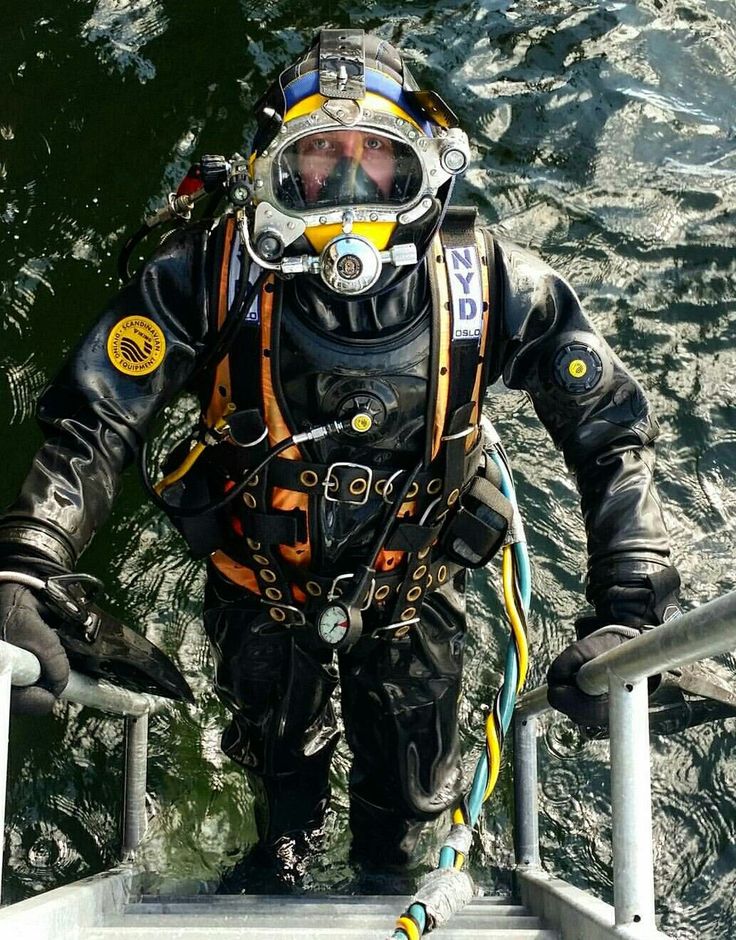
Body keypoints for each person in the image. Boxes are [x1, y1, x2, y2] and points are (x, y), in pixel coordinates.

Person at [0, 29, 682, 876]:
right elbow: (96, 421)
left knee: (405, 809)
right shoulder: (213, 276)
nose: (351, 186)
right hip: (262, 591)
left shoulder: (489, 284)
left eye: (376, 158)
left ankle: (386, 874)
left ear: (422, 165)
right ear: (273, 175)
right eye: (320, 157)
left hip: (416, 593)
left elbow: (609, 427)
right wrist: (25, 566)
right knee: (276, 770)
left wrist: (630, 602)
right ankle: (284, 844)